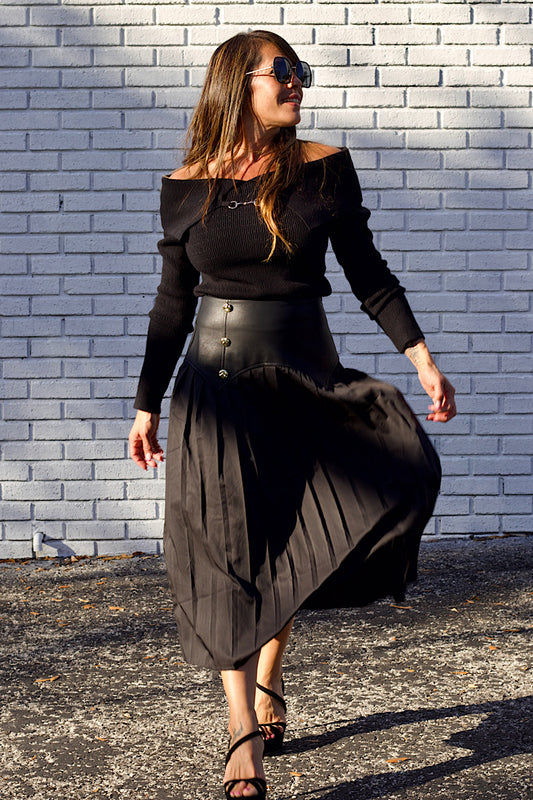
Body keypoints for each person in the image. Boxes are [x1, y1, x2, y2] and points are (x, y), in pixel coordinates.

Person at [128, 29, 456, 800]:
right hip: (213, 391)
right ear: (236, 84)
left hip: (304, 377)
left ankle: (270, 676)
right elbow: (172, 306)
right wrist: (145, 404)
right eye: (281, 72)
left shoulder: (320, 169)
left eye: (299, 70)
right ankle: (243, 733)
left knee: (301, 531)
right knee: (224, 554)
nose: (297, 81)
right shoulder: (185, 186)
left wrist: (420, 358)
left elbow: (368, 273)